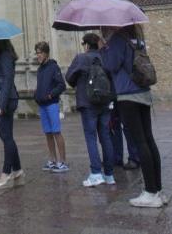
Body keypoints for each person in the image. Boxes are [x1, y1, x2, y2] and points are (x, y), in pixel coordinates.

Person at [101, 25, 164, 208]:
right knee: (148, 140)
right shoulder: (137, 38)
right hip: (143, 93)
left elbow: (110, 66)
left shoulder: (118, 40)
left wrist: (104, 47)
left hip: (128, 95)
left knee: (140, 142)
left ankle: (150, 192)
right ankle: (158, 189)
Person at [66, 33, 115, 187]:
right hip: (105, 102)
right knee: (106, 137)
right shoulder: (104, 58)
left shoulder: (81, 58)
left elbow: (69, 77)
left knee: (91, 137)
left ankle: (95, 173)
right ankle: (109, 174)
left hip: (87, 103)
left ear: (86, 45)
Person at [0, 40, 24, 188]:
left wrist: (1, 103)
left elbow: (8, 80)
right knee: (7, 136)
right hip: (1, 98)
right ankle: (17, 169)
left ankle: (6, 172)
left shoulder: (6, 56)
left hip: (6, 99)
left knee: (6, 136)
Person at [34, 41, 69, 173]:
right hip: (42, 104)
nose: (38, 56)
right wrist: (36, 93)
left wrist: (50, 95)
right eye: (37, 53)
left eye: (40, 53)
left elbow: (61, 85)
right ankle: (53, 160)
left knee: (56, 132)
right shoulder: (40, 69)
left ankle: (63, 161)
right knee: (48, 133)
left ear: (46, 53)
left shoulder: (53, 67)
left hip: (52, 104)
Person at [110, 104, 141, 170]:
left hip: (123, 97)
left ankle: (134, 158)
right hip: (112, 97)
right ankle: (116, 158)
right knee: (113, 125)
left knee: (127, 126)